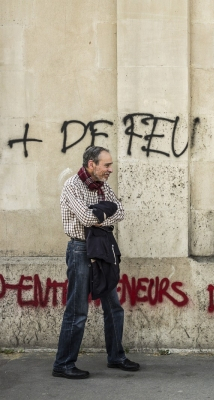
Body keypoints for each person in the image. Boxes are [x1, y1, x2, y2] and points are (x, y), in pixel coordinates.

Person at [53, 146, 139, 379]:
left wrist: (101, 212)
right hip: (80, 248)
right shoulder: (73, 185)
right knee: (77, 310)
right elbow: (86, 217)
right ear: (92, 164)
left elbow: (120, 211)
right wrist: (103, 212)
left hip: (102, 246)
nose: (110, 169)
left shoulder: (103, 187)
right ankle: (63, 364)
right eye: (107, 165)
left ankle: (116, 356)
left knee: (114, 308)